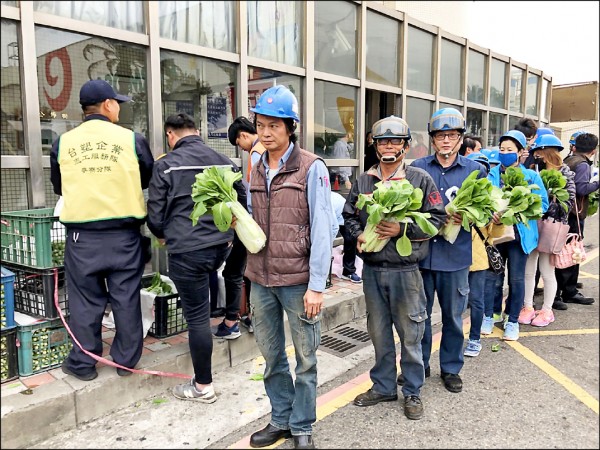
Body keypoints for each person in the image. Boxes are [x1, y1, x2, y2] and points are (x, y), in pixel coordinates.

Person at [244, 85, 334, 450]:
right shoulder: (254, 165)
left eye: (274, 126)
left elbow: (323, 228)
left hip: (298, 282)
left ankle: (302, 427)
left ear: (290, 127)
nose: (265, 133)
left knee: (307, 360)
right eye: (261, 125)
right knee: (271, 356)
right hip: (260, 279)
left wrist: (316, 285)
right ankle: (280, 419)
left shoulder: (312, 168)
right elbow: (251, 220)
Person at [50, 79, 154, 381]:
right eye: (117, 102)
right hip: (124, 236)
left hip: (83, 239)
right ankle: (125, 362)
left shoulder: (63, 142)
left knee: (84, 301)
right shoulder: (131, 139)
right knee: (126, 297)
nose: (119, 107)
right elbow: (146, 177)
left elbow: (60, 186)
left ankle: (83, 364)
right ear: (108, 105)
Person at [344, 115, 445, 420]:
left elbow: (437, 220)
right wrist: (358, 233)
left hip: (406, 272)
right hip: (373, 271)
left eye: (395, 141)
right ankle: (384, 386)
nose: (388, 146)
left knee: (411, 333)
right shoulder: (363, 180)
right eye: (382, 141)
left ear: (405, 146)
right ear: (374, 145)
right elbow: (348, 216)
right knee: (378, 333)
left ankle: (412, 391)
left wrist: (402, 229)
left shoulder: (420, 179)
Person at [147, 113, 246, 403]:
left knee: (197, 318)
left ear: (170, 135)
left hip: (186, 250)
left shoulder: (165, 165)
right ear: (197, 131)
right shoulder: (223, 160)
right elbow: (241, 199)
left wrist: (162, 233)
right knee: (206, 287)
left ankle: (203, 386)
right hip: (220, 246)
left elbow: (154, 215)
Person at [409, 107, 487, 393]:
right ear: (432, 139)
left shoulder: (475, 170)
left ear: (460, 138)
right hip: (422, 255)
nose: (445, 141)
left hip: (456, 257)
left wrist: (466, 216)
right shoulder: (417, 167)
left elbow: (485, 210)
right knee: (420, 316)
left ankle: (451, 368)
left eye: (451, 135)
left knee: (453, 317)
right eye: (440, 135)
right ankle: (420, 364)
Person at [486, 130, 549, 340]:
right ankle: (491, 314)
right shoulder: (492, 174)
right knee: (494, 277)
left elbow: (543, 204)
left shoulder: (531, 176)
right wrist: (490, 213)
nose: (505, 153)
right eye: (502, 149)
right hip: (496, 235)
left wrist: (520, 210)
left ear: (521, 152)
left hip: (519, 236)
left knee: (516, 279)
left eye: (510, 150)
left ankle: (512, 320)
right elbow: (484, 201)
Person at [520, 134, 576, 326]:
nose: (536, 157)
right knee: (528, 269)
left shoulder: (566, 173)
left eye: (539, 153)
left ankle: (546, 310)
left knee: (546, 271)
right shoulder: (532, 171)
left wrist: (544, 202)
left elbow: (567, 204)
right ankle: (527, 306)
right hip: (531, 227)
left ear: (547, 152)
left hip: (551, 228)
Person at [555, 132, 599, 307]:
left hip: (564, 213)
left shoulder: (570, 160)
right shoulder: (582, 165)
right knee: (572, 252)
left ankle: (564, 290)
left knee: (566, 251)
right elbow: (581, 189)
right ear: (593, 151)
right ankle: (568, 291)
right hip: (573, 214)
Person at [330, 191, 361, 283]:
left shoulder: (328, 202)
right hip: (335, 215)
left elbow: (334, 227)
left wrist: (328, 245)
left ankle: (348, 271)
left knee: (350, 240)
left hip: (344, 217)